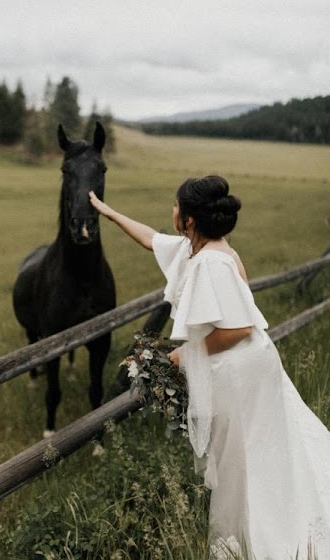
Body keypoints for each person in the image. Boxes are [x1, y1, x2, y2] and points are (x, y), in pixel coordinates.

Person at [89, 175, 330, 560]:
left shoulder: (211, 263)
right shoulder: (199, 249)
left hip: (243, 368)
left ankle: (266, 539)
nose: (171, 212)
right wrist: (108, 212)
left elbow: (238, 326)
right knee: (265, 446)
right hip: (247, 361)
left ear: (188, 221)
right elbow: (151, 238)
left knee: (248, 455)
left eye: (175, 207)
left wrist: (186, 354)